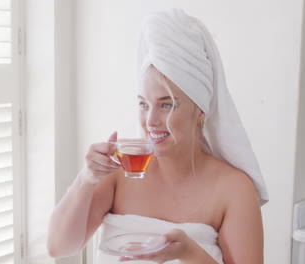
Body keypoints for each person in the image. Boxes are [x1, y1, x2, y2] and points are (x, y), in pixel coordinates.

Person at [47, 9, 268, 264]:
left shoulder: (234, 189)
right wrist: (86, 179)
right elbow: (58, 247)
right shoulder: (119, 172)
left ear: (200, 111)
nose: (150, 121)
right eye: (143, 104)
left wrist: (188, 252)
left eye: (167, 105)